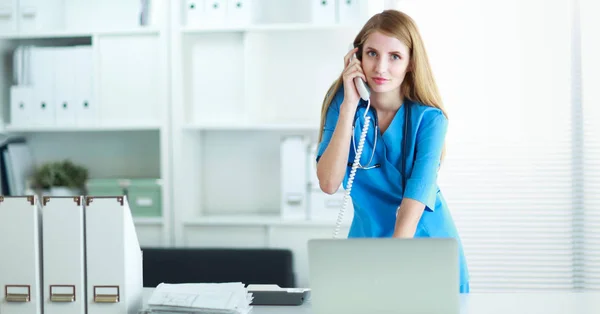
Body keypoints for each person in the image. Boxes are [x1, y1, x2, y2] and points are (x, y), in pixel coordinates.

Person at [315, 9, 470, 293]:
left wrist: (391, 268)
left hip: (422, 248)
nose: (380, 68)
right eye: (372, 53)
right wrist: (350, 105)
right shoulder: (342, 105)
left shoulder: (430, 120)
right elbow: (328, 183)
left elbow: (411, 208)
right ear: (356, 56)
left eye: (394, 57)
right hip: (367, 245)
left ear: (411, 63)